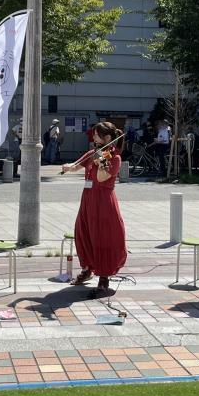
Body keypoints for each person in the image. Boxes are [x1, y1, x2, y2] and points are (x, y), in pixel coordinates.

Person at [61, 121, 127, 295]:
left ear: (107, 138)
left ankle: (103, 276)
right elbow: (77, 165)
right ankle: (87, 268)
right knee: (83, 234)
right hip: (88, 199)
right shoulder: (93, 153)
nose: (94, 137)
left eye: (97, 134)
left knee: (102, 237)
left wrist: (102, 161)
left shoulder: (114, 157)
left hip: (104, 202)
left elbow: (102, 177)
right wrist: (69, 167)